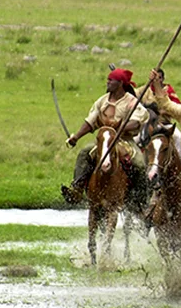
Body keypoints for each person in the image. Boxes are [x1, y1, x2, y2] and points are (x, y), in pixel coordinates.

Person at [62, 68, 149, 205]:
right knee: (84, 153)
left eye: (111, 80)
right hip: (104, 140)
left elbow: (136, 121)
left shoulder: (131, 102)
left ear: (120, 83)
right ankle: (77, 189)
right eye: (108, 79)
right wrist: (76, 137)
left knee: (139, 163)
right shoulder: (102, 101)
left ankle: (140, 199)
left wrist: (119, 128)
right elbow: (90, 122)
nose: (107, 82)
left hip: (124, 141)